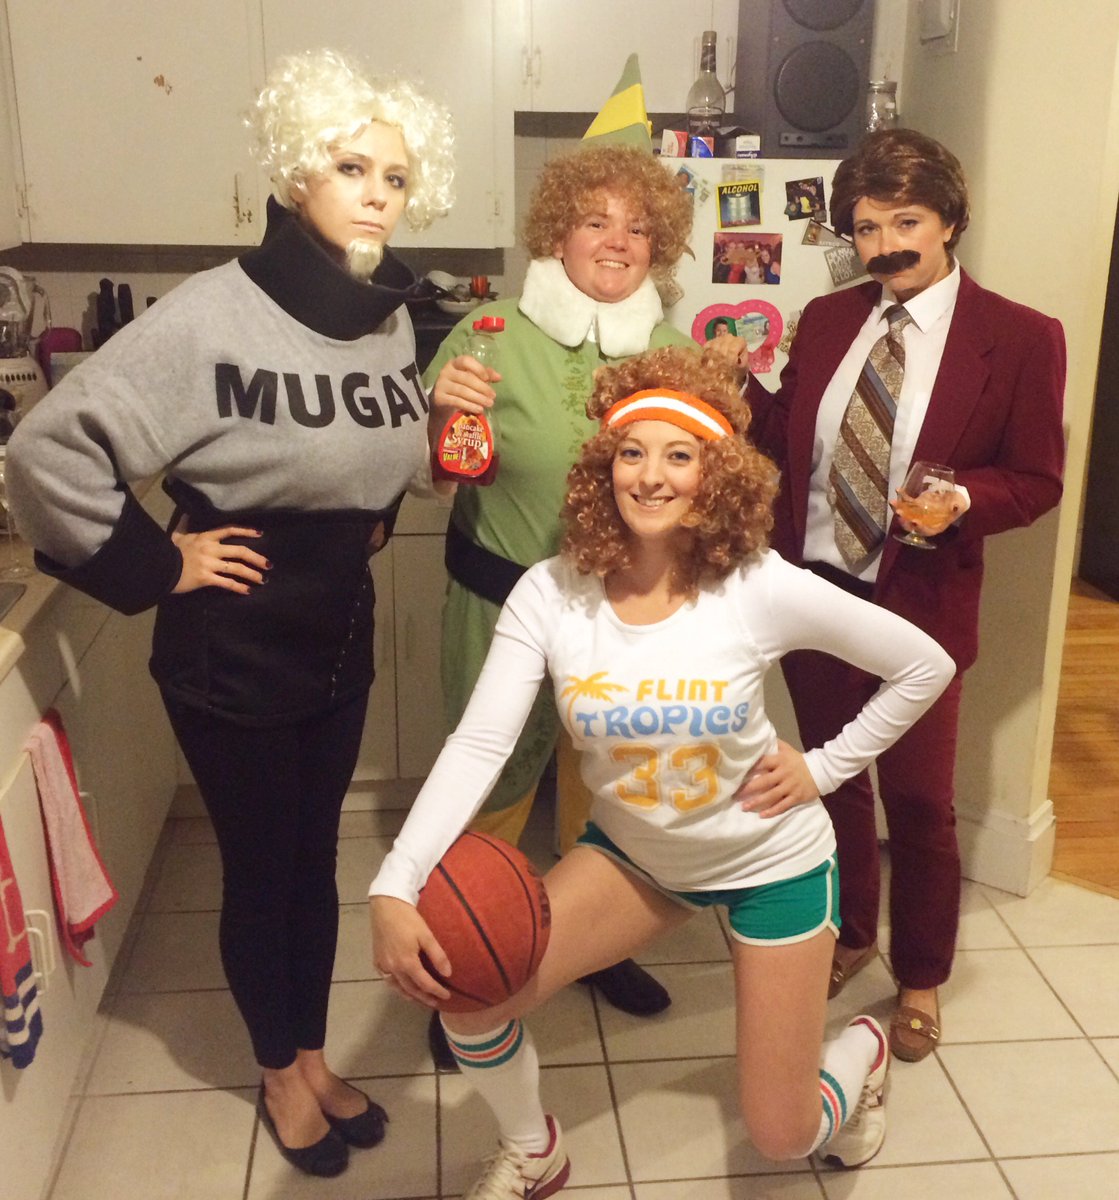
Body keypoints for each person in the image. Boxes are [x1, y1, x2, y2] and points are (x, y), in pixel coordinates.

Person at [6, 48, 455, 1178]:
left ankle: (308, 1054)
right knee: (263, 872)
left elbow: (368, 452)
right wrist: (157, 564)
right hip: (233, 645)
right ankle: (278, 1074)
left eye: (395, 178)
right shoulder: (214, 312)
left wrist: (383, 503)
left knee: (315, 863)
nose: (376, 195)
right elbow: (47, 451)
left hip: (337, 636)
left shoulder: (385, 318)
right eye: (349, 168)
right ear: (296, 172)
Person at [369, 344, 955, 1197]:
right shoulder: (550, 593)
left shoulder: (756, 585)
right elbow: (479, 744)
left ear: (712, 474)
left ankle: (859, 1055)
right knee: (472, 999)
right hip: (637, 856)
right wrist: (395, 881)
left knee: (783, 1134)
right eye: (631, 452)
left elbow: (924, 665)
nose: (650, 476)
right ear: (602, 468)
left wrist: (826, 769)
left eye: (678, 455)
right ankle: (534, 1149)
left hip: (771, 865)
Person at [743, 128, 1066, 1061]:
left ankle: (919, 975)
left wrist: (963, 501)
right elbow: (784, 437)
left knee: (920, 805)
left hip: (918, 609)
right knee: (831, 781)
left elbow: (1036, 479)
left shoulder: (1020, 336)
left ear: (951, 220)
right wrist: (738, 391)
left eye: (905, 223)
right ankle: (850, 933)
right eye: (865, 228)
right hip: (810, 592)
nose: (884, 246)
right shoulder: (826, 317)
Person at [422, 142, 694, 1048]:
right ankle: (461, 973)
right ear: (557, 235)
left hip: (622, 615)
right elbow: (431, 476)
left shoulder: (674, 354)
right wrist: (438, 415)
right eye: (594, 221)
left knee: (603, 786)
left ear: (658, 248)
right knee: (487, 784)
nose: (616, 241)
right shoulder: (486, 334)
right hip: (497, 603)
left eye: (638, 228)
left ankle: (592, 945)